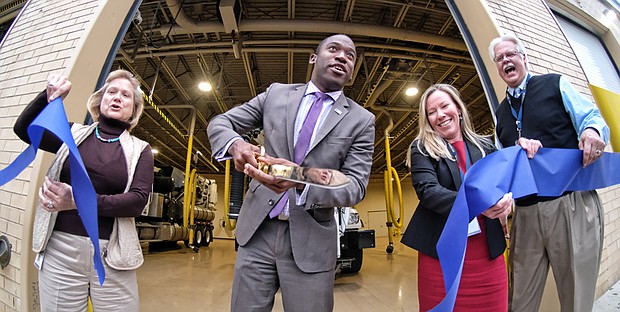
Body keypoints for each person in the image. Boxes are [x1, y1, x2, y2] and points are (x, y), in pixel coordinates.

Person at [207, 34, 375, 311]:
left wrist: (300, 179)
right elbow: (221, 122)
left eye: (350, 55)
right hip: (257, 232)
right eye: (334, 49)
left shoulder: (361, 120)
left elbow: (355, 185)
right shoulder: (276, 94)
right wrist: (236, 143)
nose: (342, 56)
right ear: (313, 58)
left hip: (311, 240)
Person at [13, 69, 154, 311]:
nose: (117, 97)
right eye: (111, 92)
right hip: (61, 250)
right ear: (100, 100)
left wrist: (78, 201)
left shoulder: (140, 150)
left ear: (134, 109)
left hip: (113, 255)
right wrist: (48, 98)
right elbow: (24, 130)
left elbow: (136, 202)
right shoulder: (72, 134)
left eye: (126, 95)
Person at [489, 33, 609, 312]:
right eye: (500, 58)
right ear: (497, 67)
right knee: (519, 300)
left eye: (511, 54)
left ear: (524, 58)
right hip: (526, 212)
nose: (506, 60)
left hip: (569, 205)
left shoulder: (555, 84)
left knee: (576, 298)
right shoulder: (501, 114)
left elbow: (592, 118)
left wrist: (591, 131)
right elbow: (504, 166)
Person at [400, 84, 513, 311]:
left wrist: (507, 200)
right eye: (431, 112)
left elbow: (502, 184)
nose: (440, 115)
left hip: (486, 254)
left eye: (444, 106)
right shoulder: (422, 148)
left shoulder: (485, 146)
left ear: (458, 109)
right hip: (441, 256)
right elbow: (428, 191)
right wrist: (476, 205)